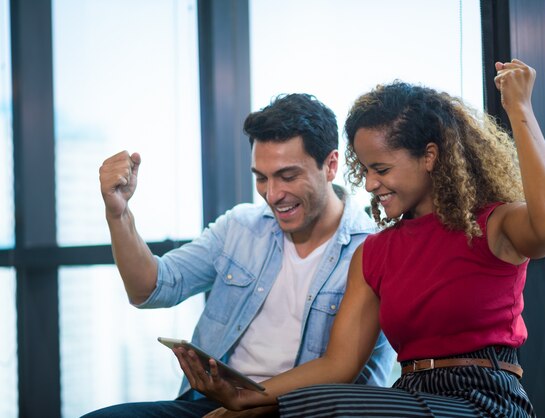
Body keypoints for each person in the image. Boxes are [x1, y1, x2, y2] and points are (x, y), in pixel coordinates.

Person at [174, 59, 545, 417]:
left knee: (324, 407)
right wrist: (246, 399)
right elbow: (338, 365)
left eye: (380, 168)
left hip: (485, 400)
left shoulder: (494, 225)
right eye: (363, 169)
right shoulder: (375, 252)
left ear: (429, 156)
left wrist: (519, 109)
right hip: (411, 394)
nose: (369, 183)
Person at [84, 93, 395, 418]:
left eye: (288, 176)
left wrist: (245, 408)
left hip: (303, 411)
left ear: (331, 165)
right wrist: (118, 214)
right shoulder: (240, 227)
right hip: (211, 406)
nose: (272, 195)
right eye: (261, 177)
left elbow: (341, 372)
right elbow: (149, 289)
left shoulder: (372, 248)